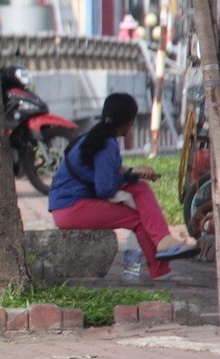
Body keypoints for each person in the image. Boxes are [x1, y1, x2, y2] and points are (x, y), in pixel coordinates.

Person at [48, 93, 198, 282]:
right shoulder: (107, 144)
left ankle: (162, 243)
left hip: (67, 207)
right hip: (71, 208)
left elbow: (109, 172)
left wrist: (133, 173)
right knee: (138, 218)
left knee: (140, 189)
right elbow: (104, 189)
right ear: (128, 123)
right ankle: (160, 267)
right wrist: (128, 176)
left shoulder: (93, 137)